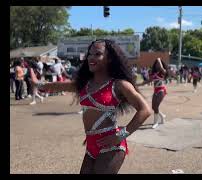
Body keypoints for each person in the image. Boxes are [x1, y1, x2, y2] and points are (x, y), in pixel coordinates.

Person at [30, 39, 151, 174]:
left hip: (111, 146)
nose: (91, 58)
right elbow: (57, 85)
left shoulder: (119, 85)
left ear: (109, 59)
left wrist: (121, 135)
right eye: (90, 54)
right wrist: (37, 84)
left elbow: (145, 110)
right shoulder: (84, 84)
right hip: (91, 145)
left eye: (97, 54)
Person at [137, 58, 168, 129]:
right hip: (156, 91)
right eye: (156, 63)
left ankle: (155, 122)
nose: (158, 65)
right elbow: (146, 82)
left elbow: (161, 67)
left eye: (158, 63)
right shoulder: (153, 74)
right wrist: (136, 85)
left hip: (161, 91)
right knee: (154, 107)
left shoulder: (163, 72)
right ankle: (162, 116)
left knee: (156, 106)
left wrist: (159, 59)